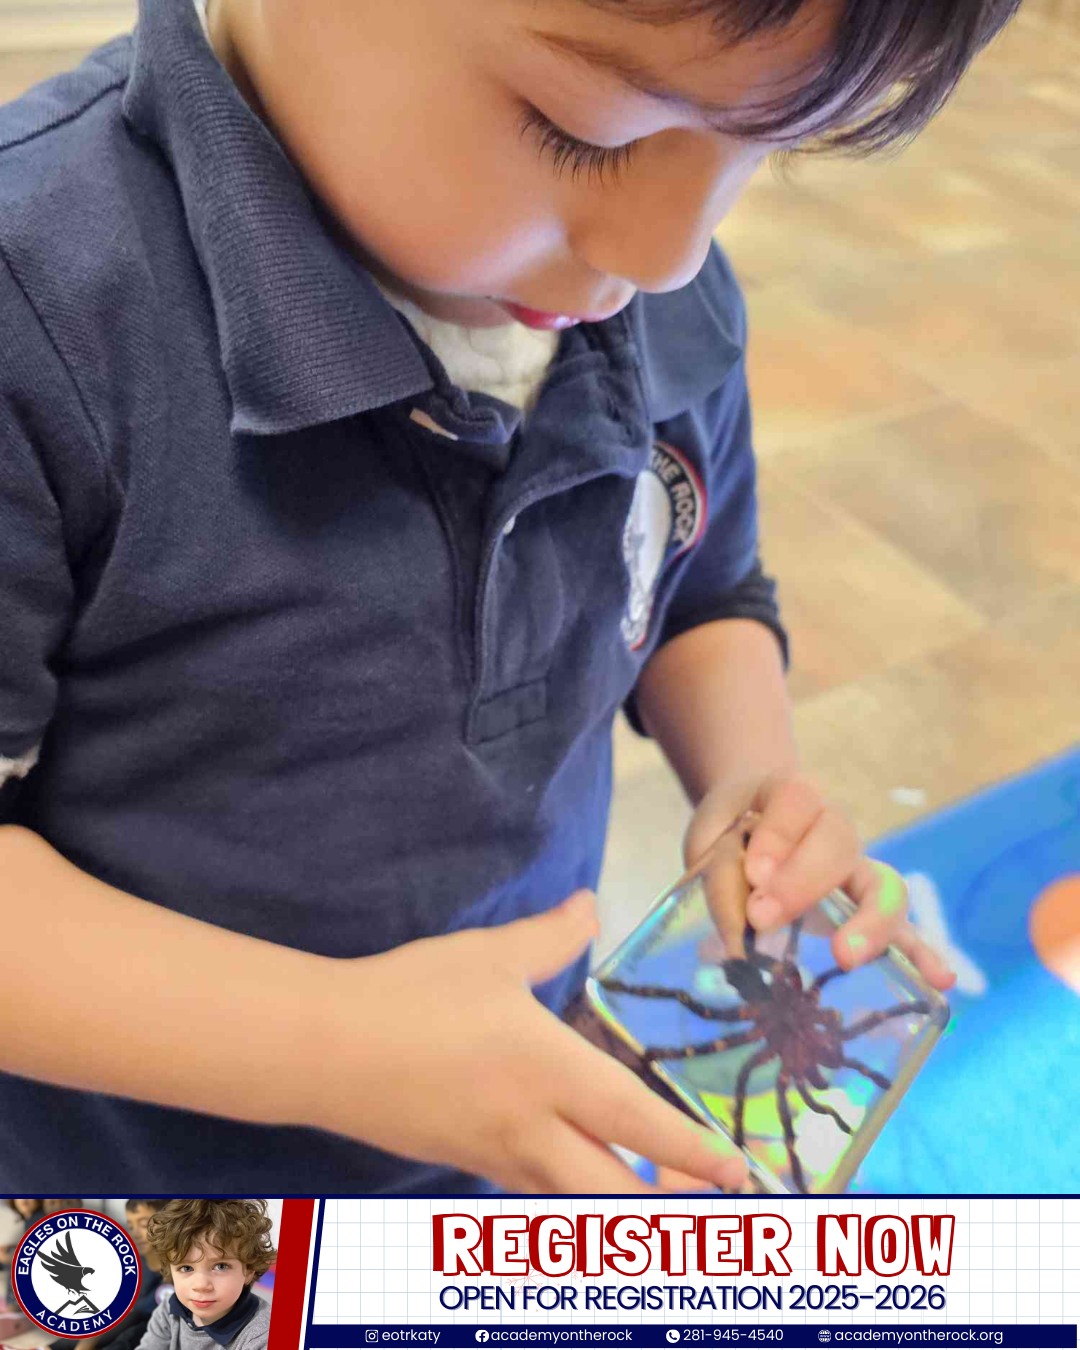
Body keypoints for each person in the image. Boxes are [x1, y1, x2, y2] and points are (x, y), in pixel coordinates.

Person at [0, 0, 1005, 1194]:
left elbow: (704, 587)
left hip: (491, 1120)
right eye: (589, 134)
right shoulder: (39, 315)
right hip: (142, 1197)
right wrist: (336, 1048)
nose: (665, 251)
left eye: (762, 145)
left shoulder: (663, 305)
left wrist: (749, 778)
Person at [135, 1201, 273, 1350]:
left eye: (221, 1266)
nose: (201, 1285)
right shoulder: (168, 1310)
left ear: (249, 1270)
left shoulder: (263, 1335)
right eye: (186, 1268)